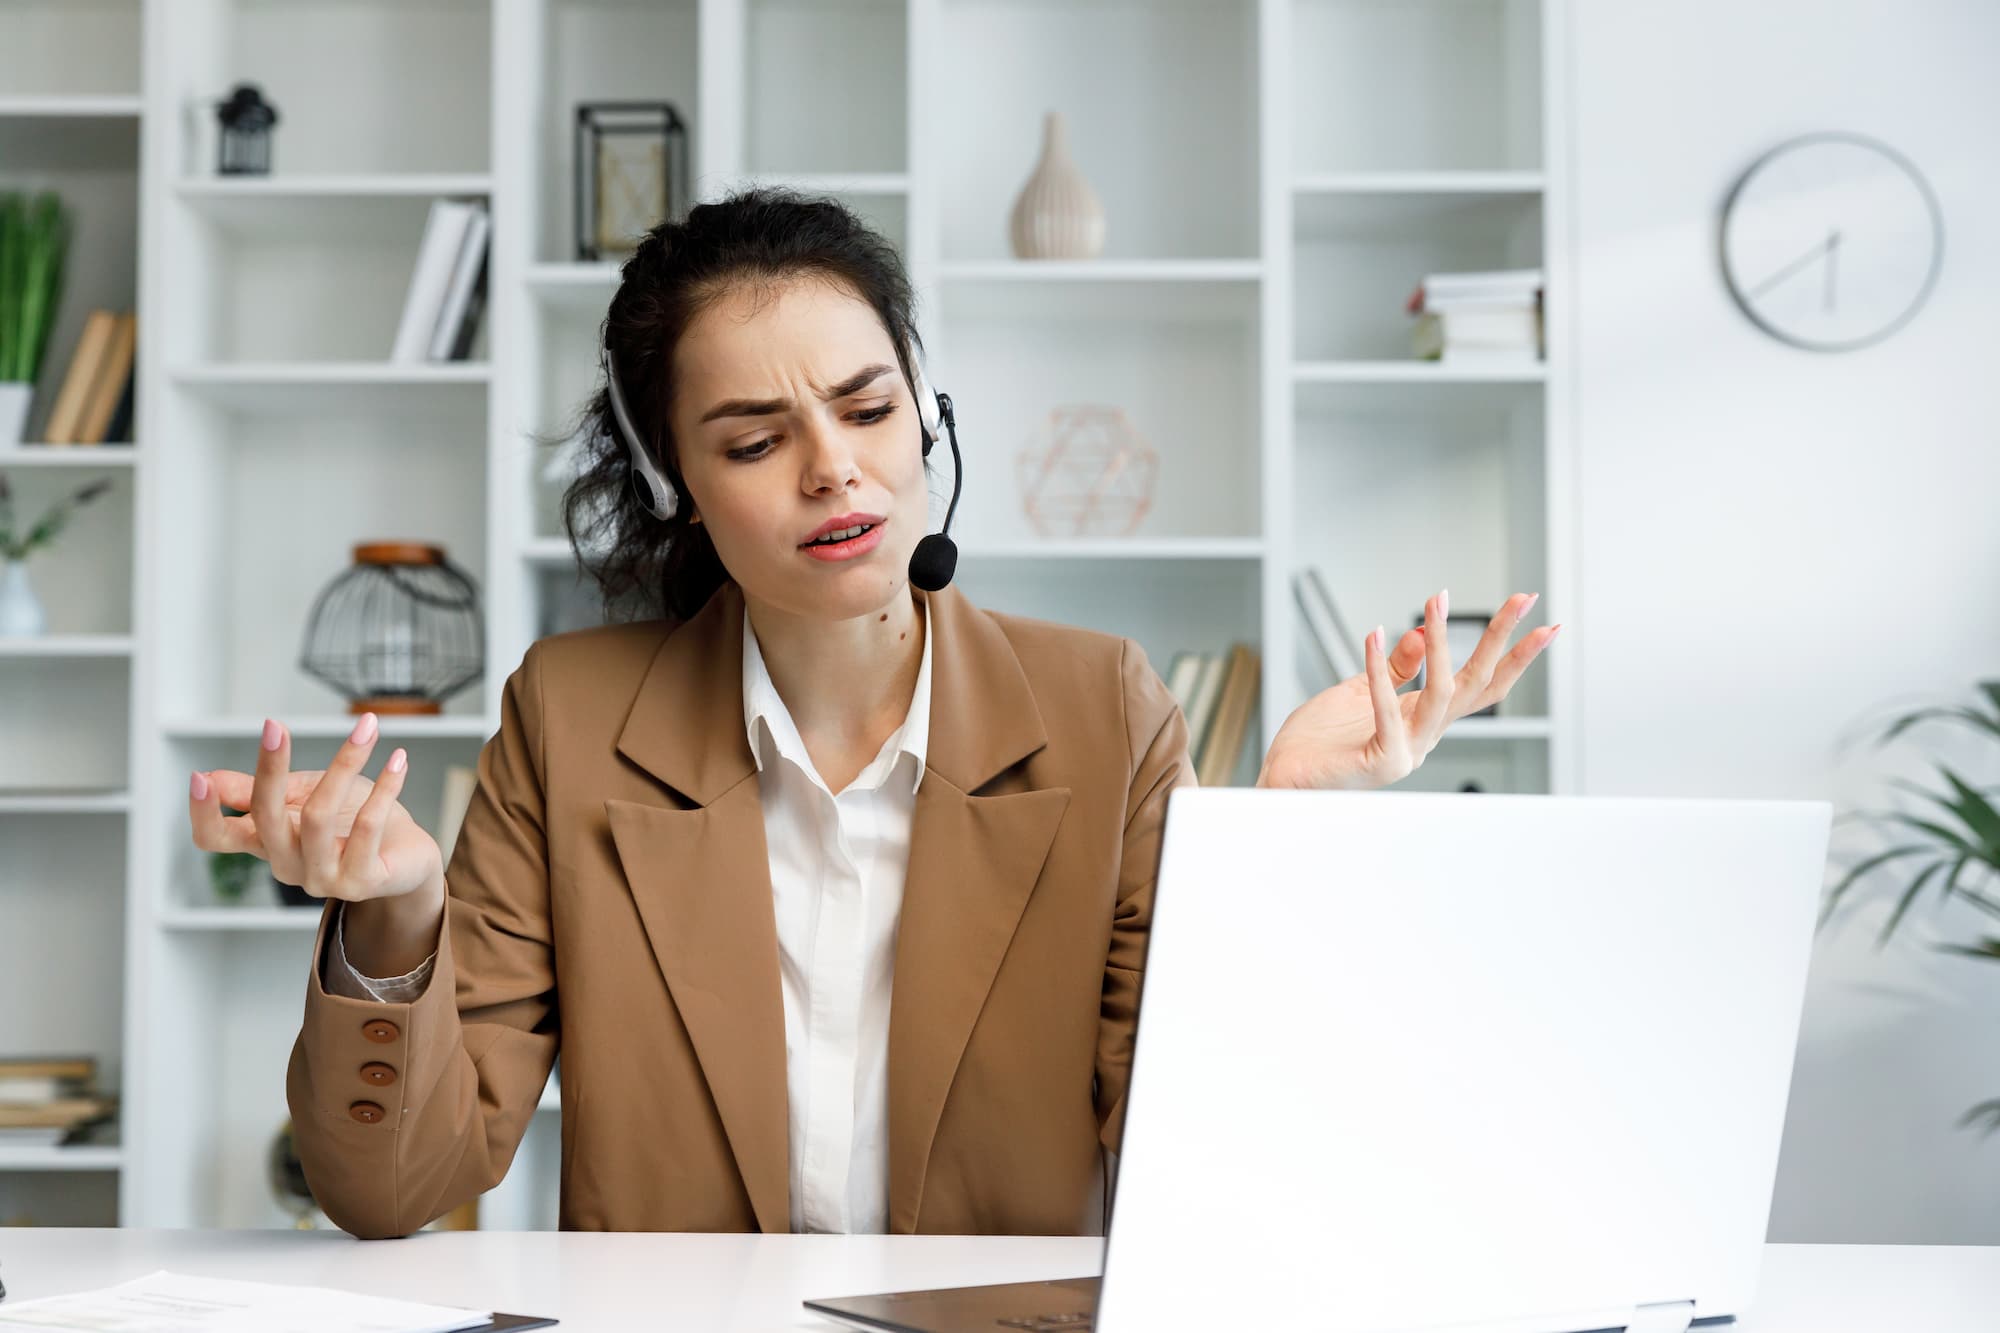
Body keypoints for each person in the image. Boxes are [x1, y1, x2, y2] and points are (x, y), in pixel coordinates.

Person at [185, 187, 1558, 1241]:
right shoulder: (572, 716)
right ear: (677, 486)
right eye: (754, 440)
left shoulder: (1102, 708)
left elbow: (1198, 1165)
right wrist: (394, 922)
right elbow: (395, 1185)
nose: (836, 471)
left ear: (925, 420)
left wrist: (1279, 841)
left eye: (868, 407)